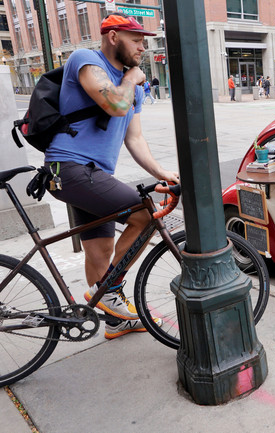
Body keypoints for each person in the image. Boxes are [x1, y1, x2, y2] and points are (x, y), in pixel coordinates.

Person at [43, 13, 179, 339]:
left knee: (101, 252)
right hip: (69, 169)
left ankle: (114, 320)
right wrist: (131, 79)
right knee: (145, 216)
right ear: (114, 37)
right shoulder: (87, 61)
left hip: (93, 175)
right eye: (136, 40)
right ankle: (109, 290)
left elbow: (134, 138)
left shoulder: (133, 88)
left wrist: (163, 172)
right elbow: (115, 105)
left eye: (144, 42)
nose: (143, 48)